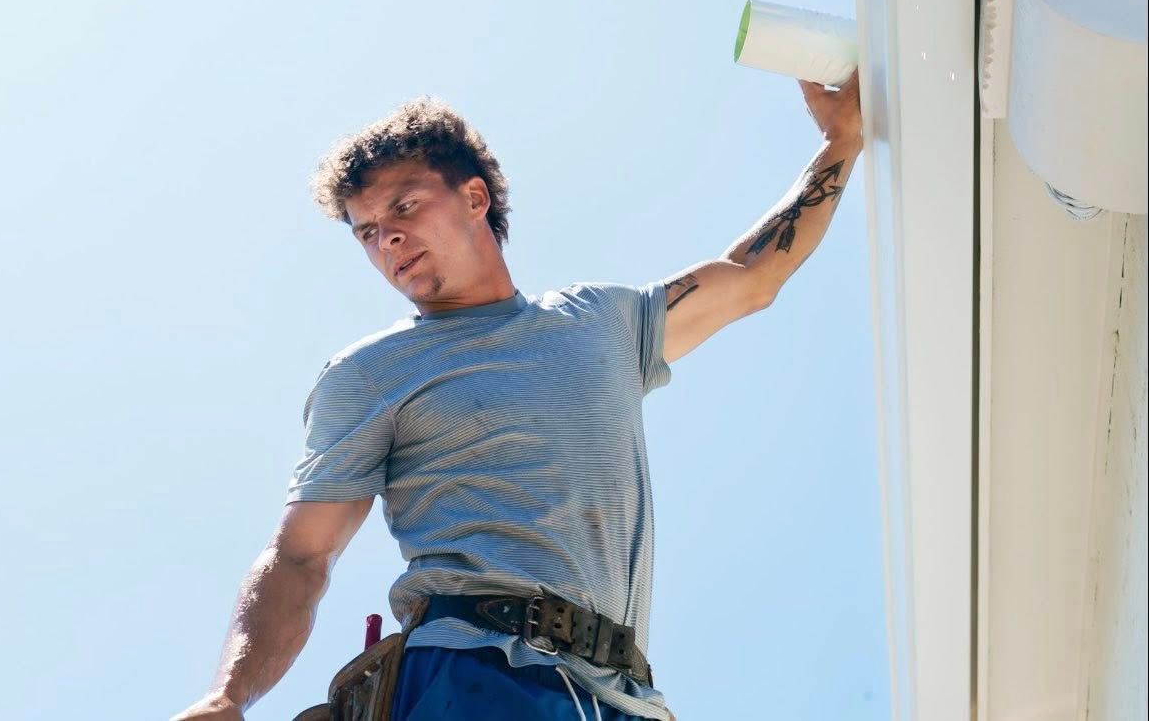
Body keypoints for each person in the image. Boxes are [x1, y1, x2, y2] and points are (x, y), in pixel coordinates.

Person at [173, 73, 863, 721]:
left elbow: (750, 277)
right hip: (473, 677)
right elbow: (300, 555)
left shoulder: (603, 323)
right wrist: (228, 696)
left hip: (624, 699)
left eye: (404, 207)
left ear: (475, 197)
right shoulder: (372, 372)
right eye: (367, 231)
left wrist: (842, 142)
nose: (387, 239)